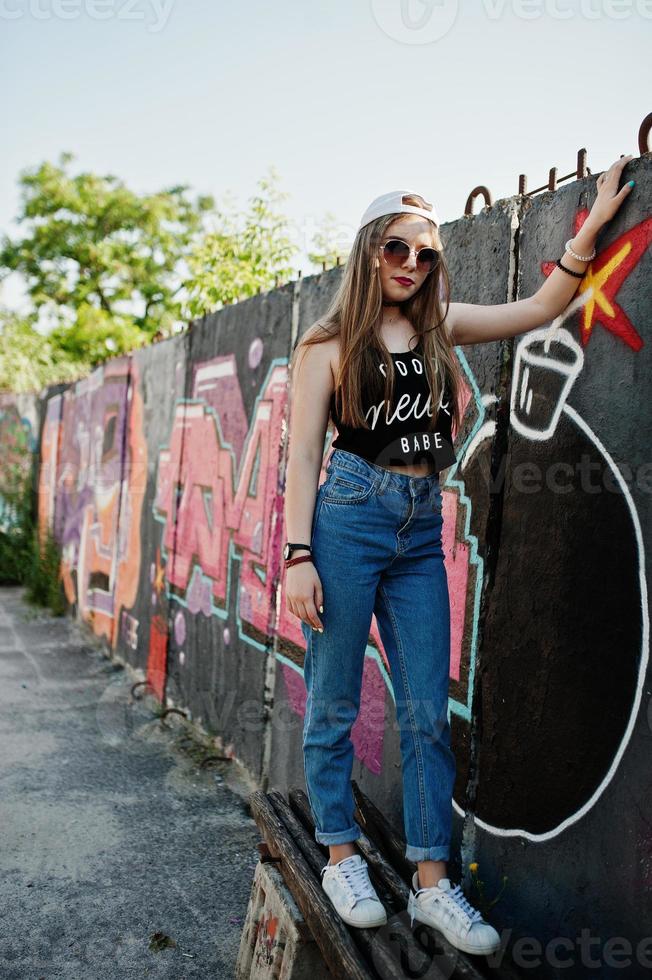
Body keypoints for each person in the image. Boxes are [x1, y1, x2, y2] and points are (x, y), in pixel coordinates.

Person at [283, 156, 634, 955]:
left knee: (426, 715)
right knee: (334, 698)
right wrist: (298, 554)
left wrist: (589, 229)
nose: (411, 264)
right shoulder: (329, 343)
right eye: (397, 248)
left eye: (425, 253)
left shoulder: (441, 327)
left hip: (417, 524)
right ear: (369, 250)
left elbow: (543, 307)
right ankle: (341, 855)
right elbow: (303, 457)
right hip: (345, 520)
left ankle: (432, 885)